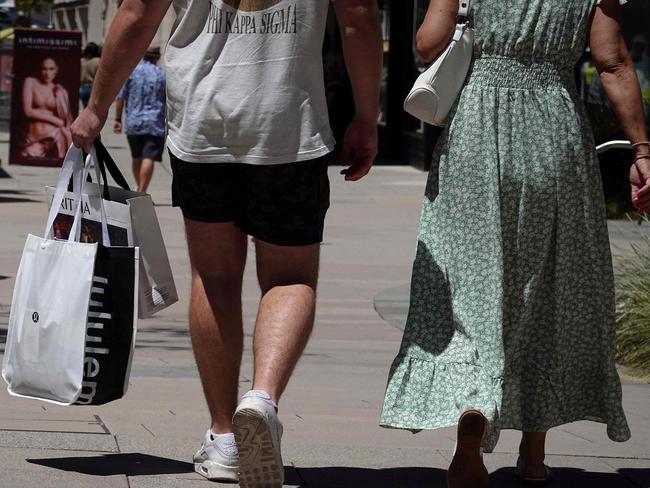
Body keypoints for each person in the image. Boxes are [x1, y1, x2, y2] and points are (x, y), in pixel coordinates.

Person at [70, 1, 382, 487]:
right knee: (291, 276)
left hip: (202, 123)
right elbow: (359, 17)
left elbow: (137, 15)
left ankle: (223, 438)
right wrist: (366, 114)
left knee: (213, 278)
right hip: (289, 125)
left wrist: (95, 108)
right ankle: (261, 399)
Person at [380, 1, 649, 487]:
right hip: (555, 134)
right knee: (546, 286)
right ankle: (532, 453)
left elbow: (426, 43)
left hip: (477, 137)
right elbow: (613, 63)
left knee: (473, 287)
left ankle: (471, 425)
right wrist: (642, 150)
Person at [114, 45, 166, 194]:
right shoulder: (162, 75)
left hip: (133, 122)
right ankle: (143, 190)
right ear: (157, 57)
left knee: (136, 156)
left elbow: (121, 98)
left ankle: (139, 189)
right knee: (149, 156)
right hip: (154, 123)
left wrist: (118, 119)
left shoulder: (132, 73)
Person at [20, 57, 73, 159]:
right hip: (34, 137)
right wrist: (54, 120)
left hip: (55, 137)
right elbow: (27, 111)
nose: (47, 73)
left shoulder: (59, 90)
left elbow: (66, 117)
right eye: (44, 69)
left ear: (56, 70)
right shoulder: (31, 82)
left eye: (51, 69)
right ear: (40, 69)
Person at [80, 43, 101, 108]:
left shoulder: (82, 61)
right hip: (94, 89)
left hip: (83, 89)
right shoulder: (98, 61)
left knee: (85, 110)